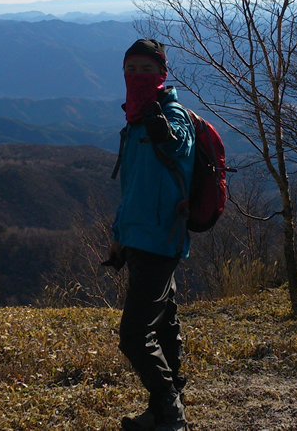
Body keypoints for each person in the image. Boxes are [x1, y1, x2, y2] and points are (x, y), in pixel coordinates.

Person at [106, 38, 195, 431]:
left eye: (146, 70)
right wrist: (119, 236)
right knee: (163, 324)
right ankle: (163, 411)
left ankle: (170, 413)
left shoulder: (170, 114)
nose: (138, 76)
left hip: (161, 240)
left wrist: (166, 133)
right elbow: (134, 189)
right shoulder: (134, 120)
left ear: (162, 74)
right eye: (131, 70)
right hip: (140, 237)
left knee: (133, 335)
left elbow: (180, 143)